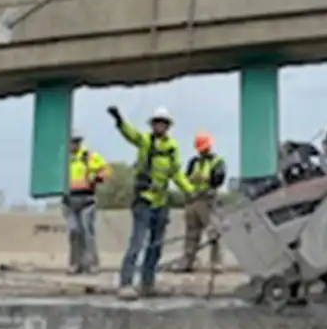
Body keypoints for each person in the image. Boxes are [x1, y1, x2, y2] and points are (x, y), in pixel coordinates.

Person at [108, 103, 194, 299]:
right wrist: (119, 121)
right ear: (153, 125)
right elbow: (131, 134)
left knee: (155, 247)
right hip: (143, 201)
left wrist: (190, 190)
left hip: (161, 202)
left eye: (163, 123)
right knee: (137, 243)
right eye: (157, 123)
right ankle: (126, 283)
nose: (160, 127)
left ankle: (147, 284)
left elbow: (176, 173)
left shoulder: (172, 148)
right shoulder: (145, 141)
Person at [176, 131, 227, 273]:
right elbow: (185, 178)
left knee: (213, 232)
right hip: (193, 200)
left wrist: (207, 178)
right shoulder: (194, 162)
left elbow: (219, 178)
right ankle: (188, 261)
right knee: (191, 234)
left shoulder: (217, 161)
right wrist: (192, 180)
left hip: (207, 200)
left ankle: (216, 263)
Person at [65, 131, 109, 274]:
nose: (73, 144)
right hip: (68, 201)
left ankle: (91, 264)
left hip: (87, 199)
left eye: (76, 141)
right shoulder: (63, 159)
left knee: (87, 231)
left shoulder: (88, 157)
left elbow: (104, 171)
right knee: (74, 231)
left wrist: (96, 178)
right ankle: (75, 264)